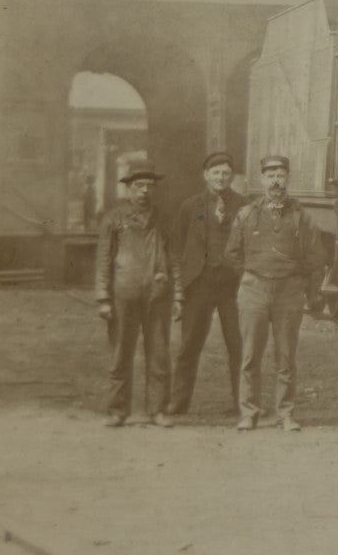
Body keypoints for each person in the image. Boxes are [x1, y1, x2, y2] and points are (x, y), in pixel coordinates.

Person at [224, 154, 327, 432]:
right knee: (250, 356)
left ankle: (286, 414)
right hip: (254, 290)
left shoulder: (301, 217)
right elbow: (232, 253)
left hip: (289, 292)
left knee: (285, 356)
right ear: (262, 180)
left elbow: (316, 257)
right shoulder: (246, 214)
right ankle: (249, 412)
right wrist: (252, 274)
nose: (276, 181)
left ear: (288, 179)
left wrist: (296, 277)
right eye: (270, 176)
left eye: (281, 176)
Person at [94, 157, 176, 427]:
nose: (145, 191)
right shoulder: (114, 219)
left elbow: (174, 257)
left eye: (150, 186)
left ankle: (158, 410)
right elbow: (104, 260)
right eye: (139, 185)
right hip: (123, 295)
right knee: (120, 354)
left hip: (157, 295)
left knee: (159, 355)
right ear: (129, 188)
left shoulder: (163, 218)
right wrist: (103, 297)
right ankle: (118, 410)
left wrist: (179, 294)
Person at [167, 151, 247, 418]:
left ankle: (243, 404)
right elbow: (176, 247)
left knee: (239, 346)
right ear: (206, 176)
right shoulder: (190, 206)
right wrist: (179, 288)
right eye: (216, 173)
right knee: (189, 345)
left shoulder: (245, 206)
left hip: (232, 286)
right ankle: (178, 405)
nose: (221, 178)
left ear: (232, 176)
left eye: (226, 173)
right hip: (199, 283)